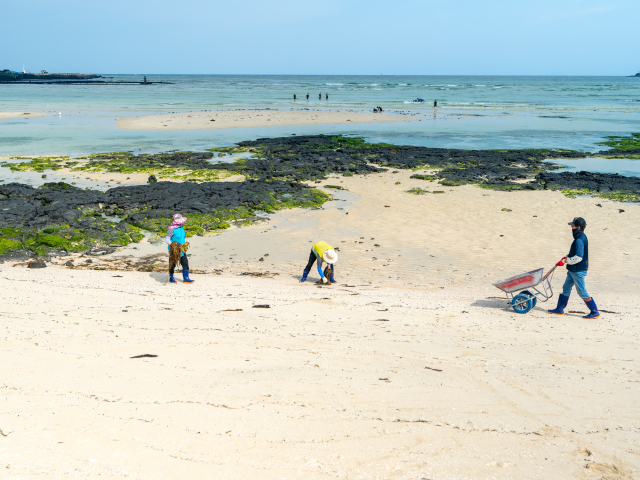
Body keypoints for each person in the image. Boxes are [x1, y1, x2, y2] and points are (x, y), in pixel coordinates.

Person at [548, 217, 599, 318]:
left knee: (581, 291)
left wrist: (565, 261)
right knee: (566, 287)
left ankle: (594, 311)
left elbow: (579, 257)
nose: (572, 227)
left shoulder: (579, 240)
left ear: (578, 227)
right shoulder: (581, 237)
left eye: (573, 226)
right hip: (573, 270)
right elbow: (575, 253)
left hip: (578, 271)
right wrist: (566, 257)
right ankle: (559, 309)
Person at [166, 213, 194, 283]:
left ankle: (186, 278)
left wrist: (186, 243)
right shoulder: (171, 229)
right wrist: (172, 244)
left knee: (185, 263)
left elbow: (182, 238)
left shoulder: (181, 228)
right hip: (174, 250)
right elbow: (167, 239)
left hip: (182, 250)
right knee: (172, 264)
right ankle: (171, 278)